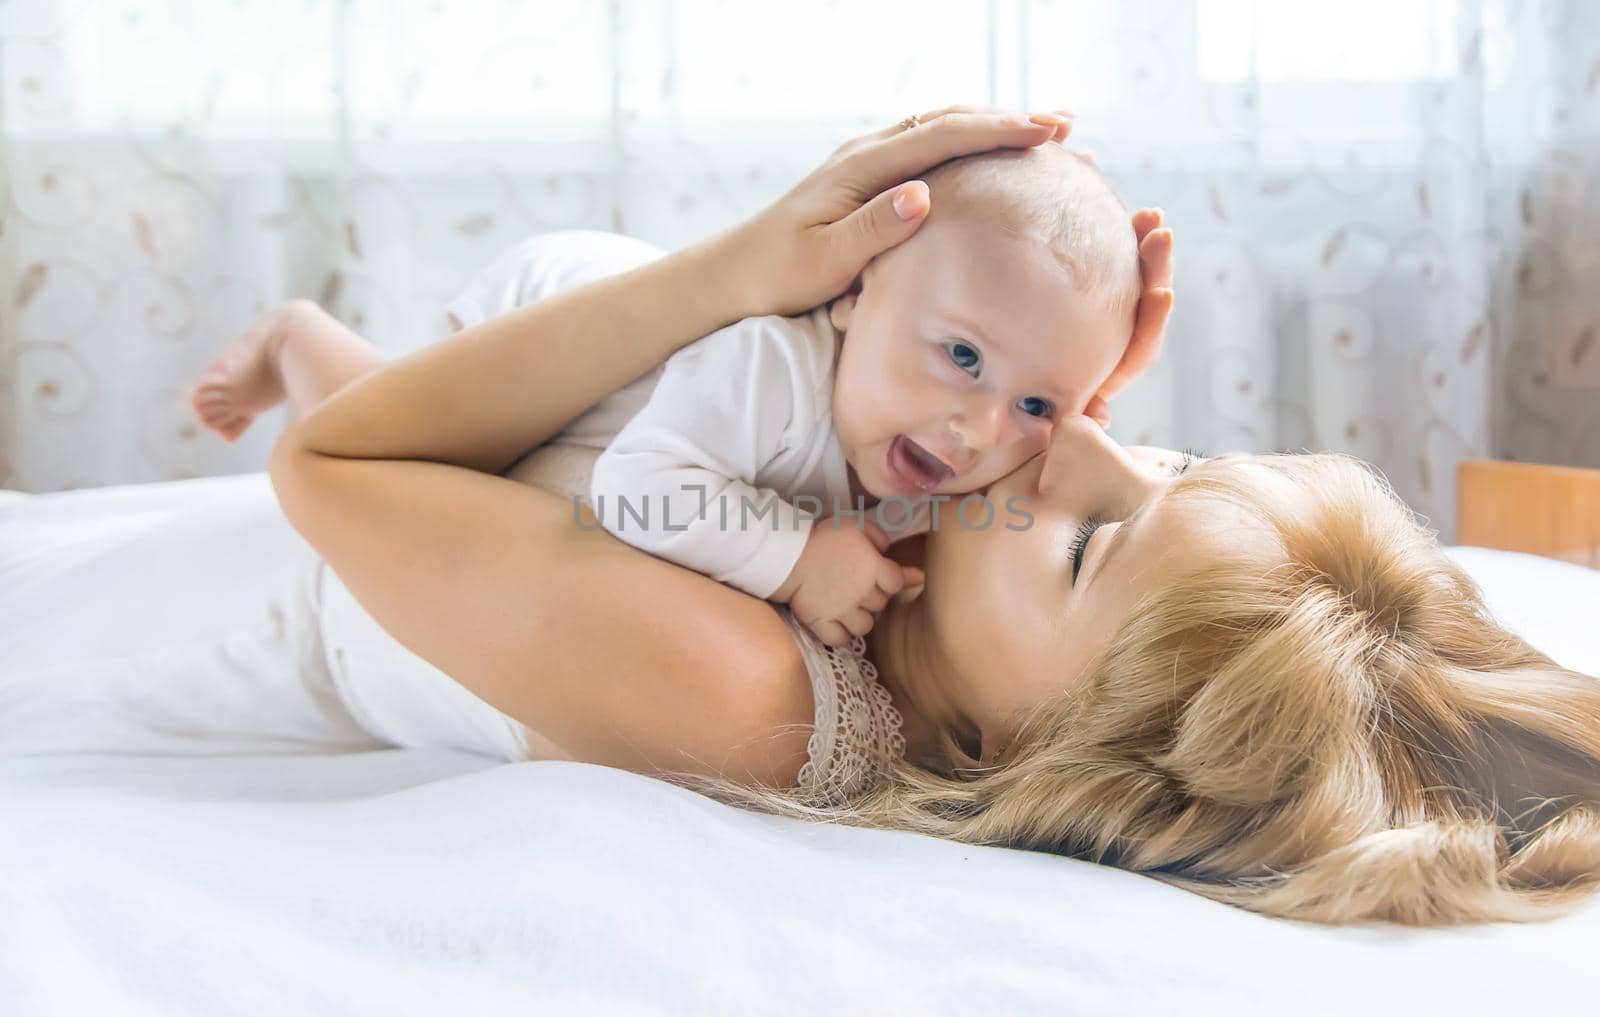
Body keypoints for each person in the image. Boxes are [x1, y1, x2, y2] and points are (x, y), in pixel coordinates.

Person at [6, 108, 1597, 927]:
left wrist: (746, 268)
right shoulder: (932, 565)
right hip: (350, 516)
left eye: (1095, 531)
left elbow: (332, 470)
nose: (1080, 449)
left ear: (1042, 744)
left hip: (176, 623)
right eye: (1171, 453)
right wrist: (1035, 382)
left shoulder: (766, 699)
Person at [194, 137, 1146, 647]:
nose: (980, 426)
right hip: (562, 324)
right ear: (857, 291)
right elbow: (637, 485)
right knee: (399, 432)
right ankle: (299, 339)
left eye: (1038, 406)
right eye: (964, 357)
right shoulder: (771, 371)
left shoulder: (926, 439)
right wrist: (796, 558)